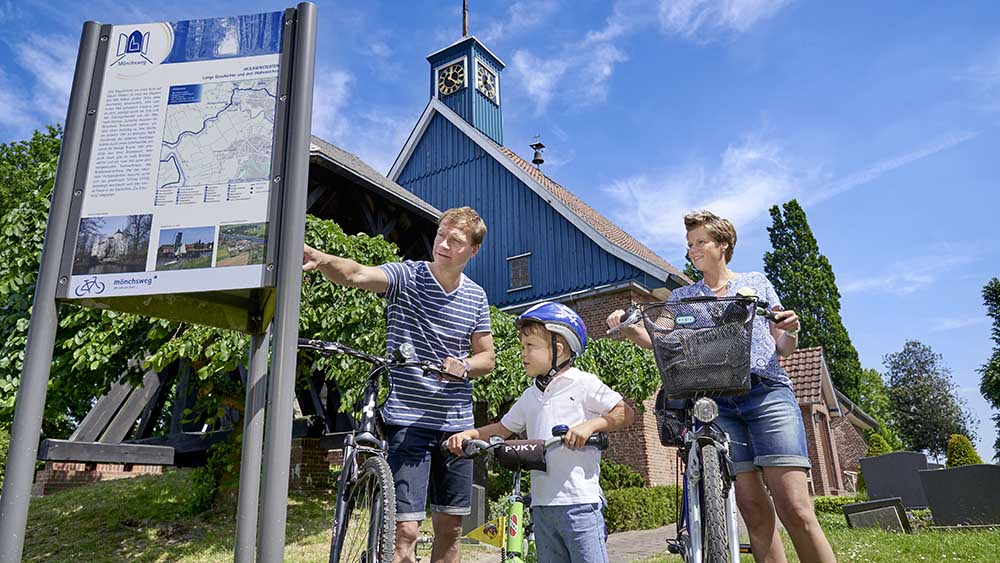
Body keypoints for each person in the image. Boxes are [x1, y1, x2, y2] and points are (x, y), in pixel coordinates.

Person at [606, 210, 836, 563]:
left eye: (700, 242)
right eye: (689, 244)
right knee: (754, 512)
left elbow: (783, 345)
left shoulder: (755, 283)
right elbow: (659, 338)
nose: (692, 250)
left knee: (795, 508)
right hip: (717, 403)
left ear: (723, 245)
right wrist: (628, 328)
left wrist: (790, 328)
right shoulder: (684, 296)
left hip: (767, 393)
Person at [303, 206, 496, 563]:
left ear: (473, 250)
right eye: (441, 235)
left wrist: (464, 365)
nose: (443, 244)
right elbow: (358, 274)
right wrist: (322, 258)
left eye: (455, 240)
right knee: (405, 529)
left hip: (455, 424)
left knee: (451, 527)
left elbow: (488, 358)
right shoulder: (408, 276)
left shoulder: (476, 297)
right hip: (408, 419)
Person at [447, 302, 635, 563]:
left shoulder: (583, 383)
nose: (522, 353)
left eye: (530, 347)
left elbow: (624, 412)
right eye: (522, 347)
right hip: (542, 506)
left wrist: (590, 426)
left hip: (579, 504)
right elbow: (502, 429)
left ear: (557, 349)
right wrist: (471, 434)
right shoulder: (530, 395)